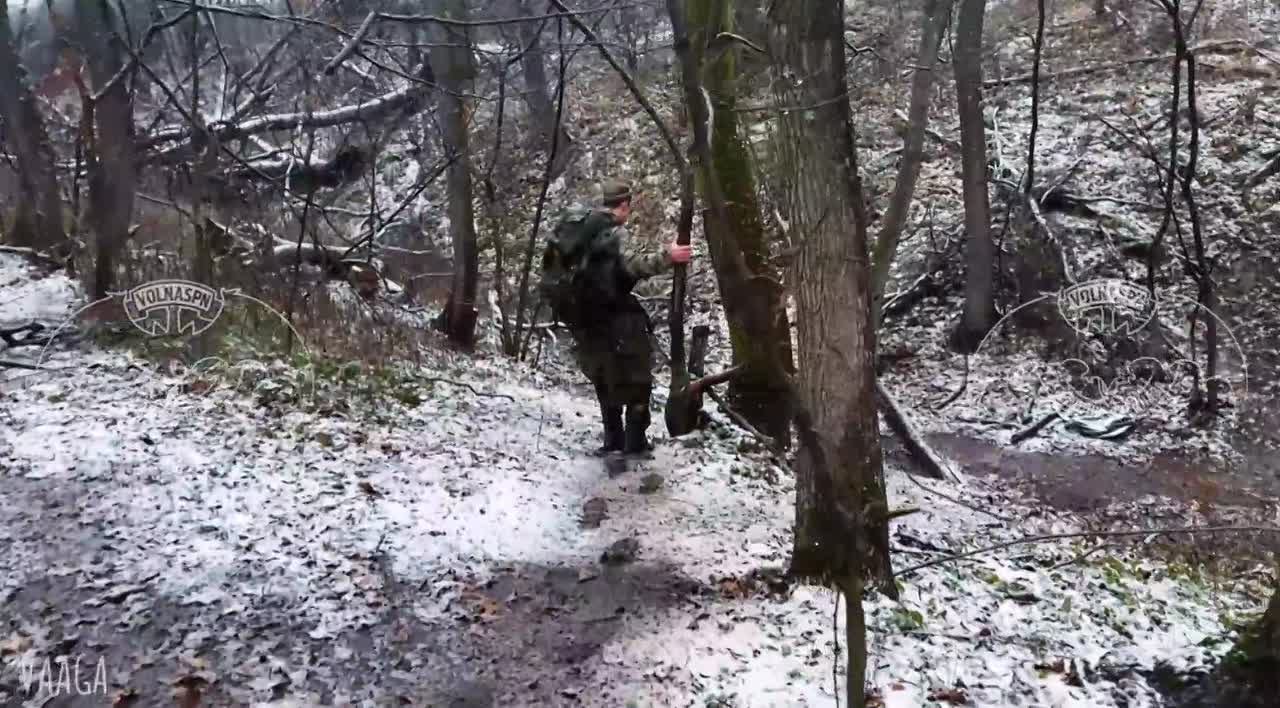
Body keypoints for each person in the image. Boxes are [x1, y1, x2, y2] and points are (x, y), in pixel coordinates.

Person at [543, 180, 692, 456]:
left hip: (585, 320)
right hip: (617, 318)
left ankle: (612, 440)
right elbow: (634, 265)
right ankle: (634, 443)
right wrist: (669, 256)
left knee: (604, 378)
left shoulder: (578, 232)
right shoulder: (612, 234)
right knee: (638, 379)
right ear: (623, 205)